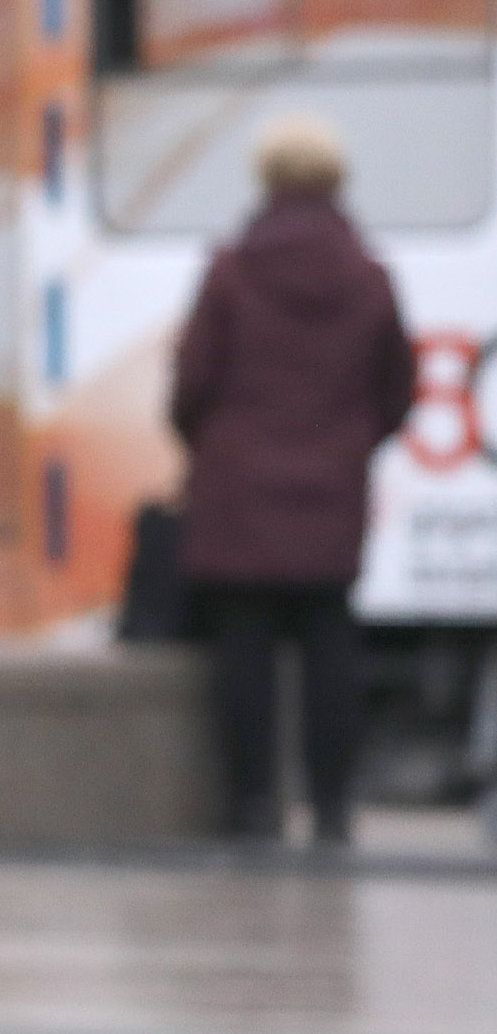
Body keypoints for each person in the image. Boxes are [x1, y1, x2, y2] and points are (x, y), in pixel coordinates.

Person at [171, 115, 413, 845]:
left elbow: (190, 388)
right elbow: (398, 390)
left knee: (242, 652)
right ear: (338, 183)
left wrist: (216, 448)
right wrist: (349, 444)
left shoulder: (229, 271)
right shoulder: (371, 277)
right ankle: (334, 810)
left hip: (236, 491)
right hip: (331, 490)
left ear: (266, 181)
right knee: (330, 644)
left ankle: (252, 808)